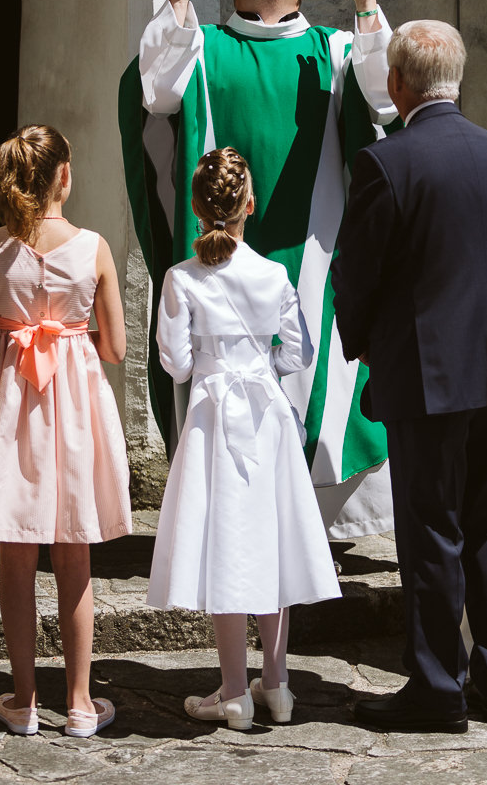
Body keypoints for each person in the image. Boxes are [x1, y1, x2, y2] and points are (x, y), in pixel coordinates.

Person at [120, 0, 396, 538]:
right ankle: (226, 521)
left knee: (313, 371)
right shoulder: (201, 45)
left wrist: (368, 7)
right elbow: (155, 95)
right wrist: (177, 8)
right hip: (217, 258)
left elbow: (384, 99)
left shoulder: (336, 48)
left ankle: (308, 527)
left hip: (316, 245)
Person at [332, 20, 487, 734]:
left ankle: (436, 688)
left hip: (429, 371)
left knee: (432, 530)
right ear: (456, 81)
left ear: (397, 83)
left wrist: (365, 345)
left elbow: (357, 273)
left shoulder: (385, 162)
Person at [0, 125, 131, 740]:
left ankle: (24, 700)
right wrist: (69, 335)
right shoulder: (94, 248)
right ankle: (81, 704)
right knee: (74, 552)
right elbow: (116, 349)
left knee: (16, 555)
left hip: (13, 407)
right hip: (74, 410)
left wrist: (12, 335)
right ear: (64, 176)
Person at [147, 147, 340, 731]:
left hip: (214, 419)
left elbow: (177, 364)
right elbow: (299, 353)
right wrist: (260, 367)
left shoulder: (182, 279)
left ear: (196, 207)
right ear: (249, 205)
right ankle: (277, 685)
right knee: (270, 538)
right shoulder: (273, 275)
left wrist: (214, 363)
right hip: (266, 418)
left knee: (227, 541)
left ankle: (234, 690)